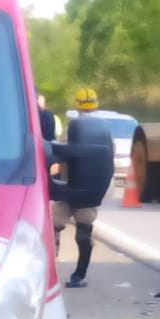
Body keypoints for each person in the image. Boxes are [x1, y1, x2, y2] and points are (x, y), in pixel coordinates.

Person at [51, 86, 104, 288]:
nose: (87, 114)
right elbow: (61, 150)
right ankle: (50, 267)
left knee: (83, 235)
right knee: (52, 226)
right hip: (69, 188)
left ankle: (80, 274)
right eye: (86, 110)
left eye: (89, 110)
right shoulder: (72, 128)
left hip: (86, 192)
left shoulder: (100, 131)